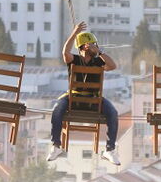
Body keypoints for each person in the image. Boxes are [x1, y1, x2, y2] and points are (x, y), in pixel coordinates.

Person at [46, 22, 121, 165]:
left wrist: (100, 52)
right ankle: (56, 146)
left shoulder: (99, 61)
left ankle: (110, 150)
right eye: (93, 45)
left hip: (94, 99)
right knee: (56, 110)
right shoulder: (74, 59)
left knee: (113, 112)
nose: (95, 47)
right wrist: (74, 33)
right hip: (73, 98)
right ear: (85, 46)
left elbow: (113, 66)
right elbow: (65, 53)